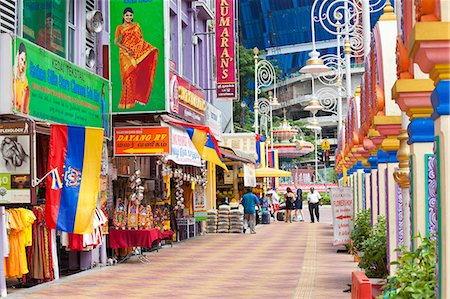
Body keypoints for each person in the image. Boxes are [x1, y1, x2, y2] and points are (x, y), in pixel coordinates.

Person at [114, 7, 159, 109]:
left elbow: (140, 40)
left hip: (135, 52)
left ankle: (135, 99)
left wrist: (145, 50)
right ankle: (125, 102)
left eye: (130, 15)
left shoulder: (136, 26)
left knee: (135, 75)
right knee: (127, 77)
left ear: (132, 16)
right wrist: (126, 49)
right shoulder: (119, 28)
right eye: (127, 15)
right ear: (123, 16)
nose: (129, 17)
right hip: (124, 54)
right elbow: (116, 42)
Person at [13, 43, 30, 115]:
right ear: (17, 58)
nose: (23, 64)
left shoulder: (25, 81)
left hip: (19, 116)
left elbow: (25, 108)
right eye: (21, 59)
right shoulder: (11, 76)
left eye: (24, 62)